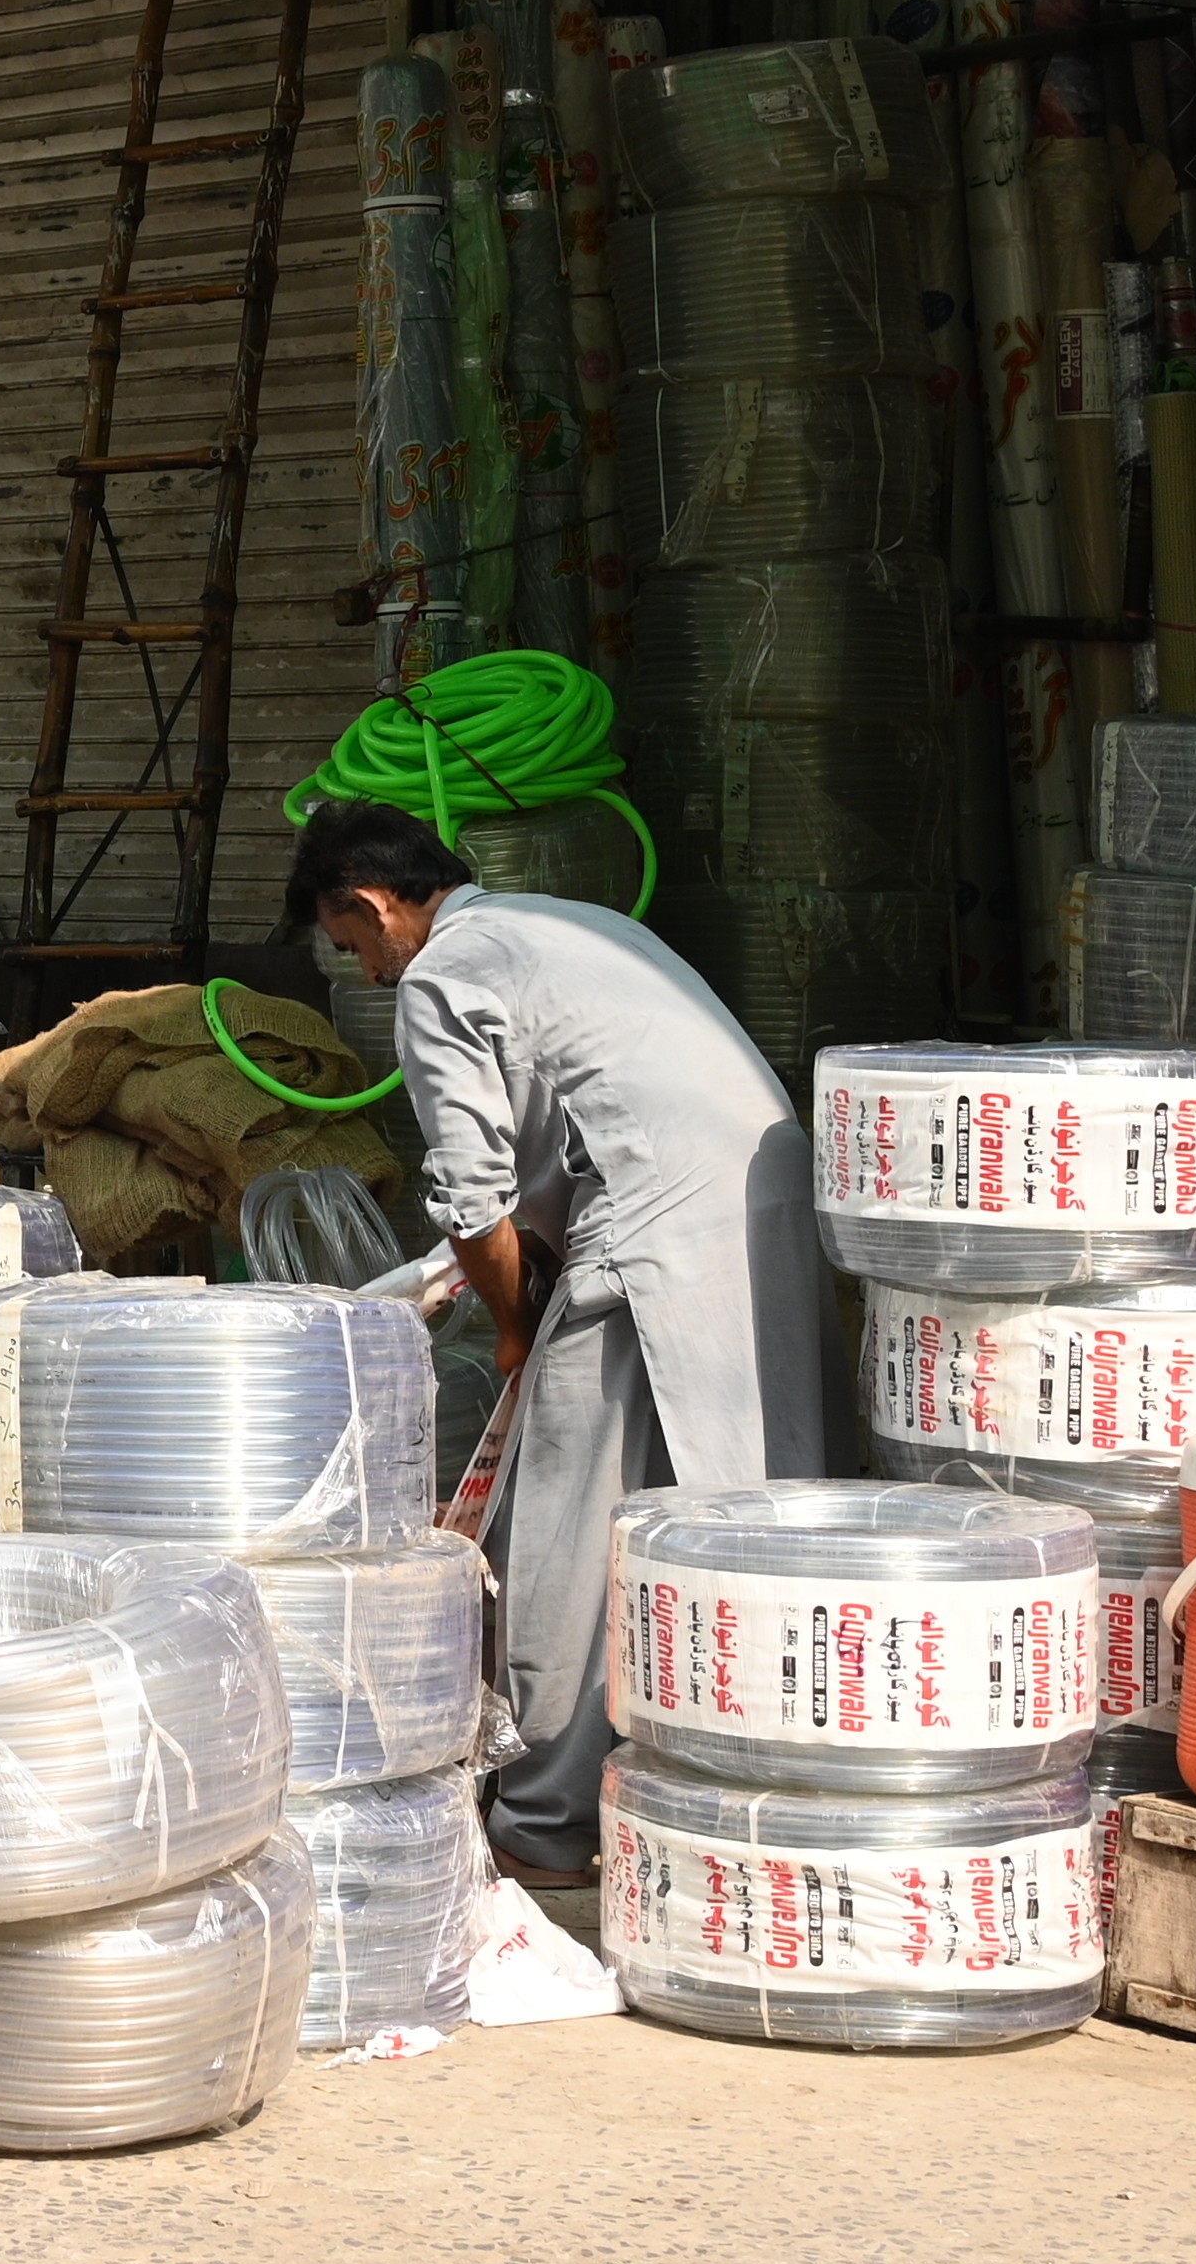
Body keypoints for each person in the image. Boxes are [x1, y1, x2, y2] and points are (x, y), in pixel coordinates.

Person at [291, 795, 826, 1884]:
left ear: (372, 902)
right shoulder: (555, 926)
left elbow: (474, 1196)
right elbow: (556, 1136)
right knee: (734, 1508)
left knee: (568, 1529)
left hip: (657, 1224)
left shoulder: (445, 971)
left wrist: (510, 1328)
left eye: (358, 951)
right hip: (756, 1200)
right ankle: (750, 1778)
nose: (374, 978)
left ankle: (543, 1820)